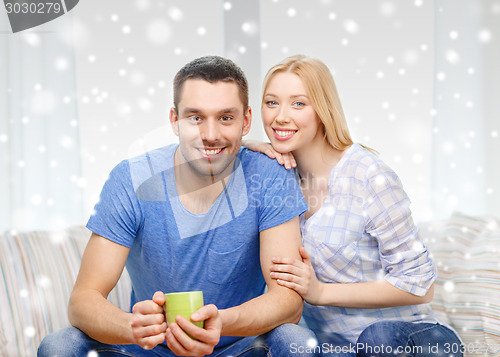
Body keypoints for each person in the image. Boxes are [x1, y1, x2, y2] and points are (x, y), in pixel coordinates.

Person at [38, 56, 319, 357]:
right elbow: (83, 300)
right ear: (175, 120)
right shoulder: (131, 179)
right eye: (195, 117)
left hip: (237, 349)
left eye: (226, 118)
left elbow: (288, 301)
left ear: (245, 121)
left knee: (298, 342)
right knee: (60, 346)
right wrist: (131, 326)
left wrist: (223, 322)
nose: (210, 134)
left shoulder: (270, 174)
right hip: (147, 350)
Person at [245, 55, 463, 357]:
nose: (280, 117)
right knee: (283, 337)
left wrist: (321, 292)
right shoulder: (277, 177)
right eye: (271, 103)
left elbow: (420, 285)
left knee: (377, 338)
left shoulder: (369, 175)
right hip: (334, 349)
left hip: (414, 340)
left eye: (298, 104)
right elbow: (207, 142)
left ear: (322, 111)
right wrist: (247, 145)